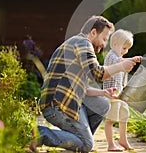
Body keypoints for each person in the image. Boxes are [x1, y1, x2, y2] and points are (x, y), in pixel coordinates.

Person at [36, 16, 139, 153]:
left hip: (66, 101)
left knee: (103, 104)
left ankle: (78, 140)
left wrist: (103, 92)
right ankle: (38, 134)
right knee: (86, 145)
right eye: (104, 39)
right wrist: (121, 66)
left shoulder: (77, 44)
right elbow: (98, 74)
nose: (104, 44)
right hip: (57, 106)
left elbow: (83, 89)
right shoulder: (83, 43)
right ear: (93, 32)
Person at [103, 29, 141, 152]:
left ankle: (123, 140)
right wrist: (131, 60)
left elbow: (122, 60)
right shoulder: (111, 57)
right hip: (112, 94)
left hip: (120, 93)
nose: (125, 51)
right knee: (111, 119)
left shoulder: (119, 56)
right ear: (114, 45)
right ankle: (110, 144)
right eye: (124, 48)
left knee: (124, 116)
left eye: (127, 49)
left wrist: (130, 59)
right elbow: (118, 62)